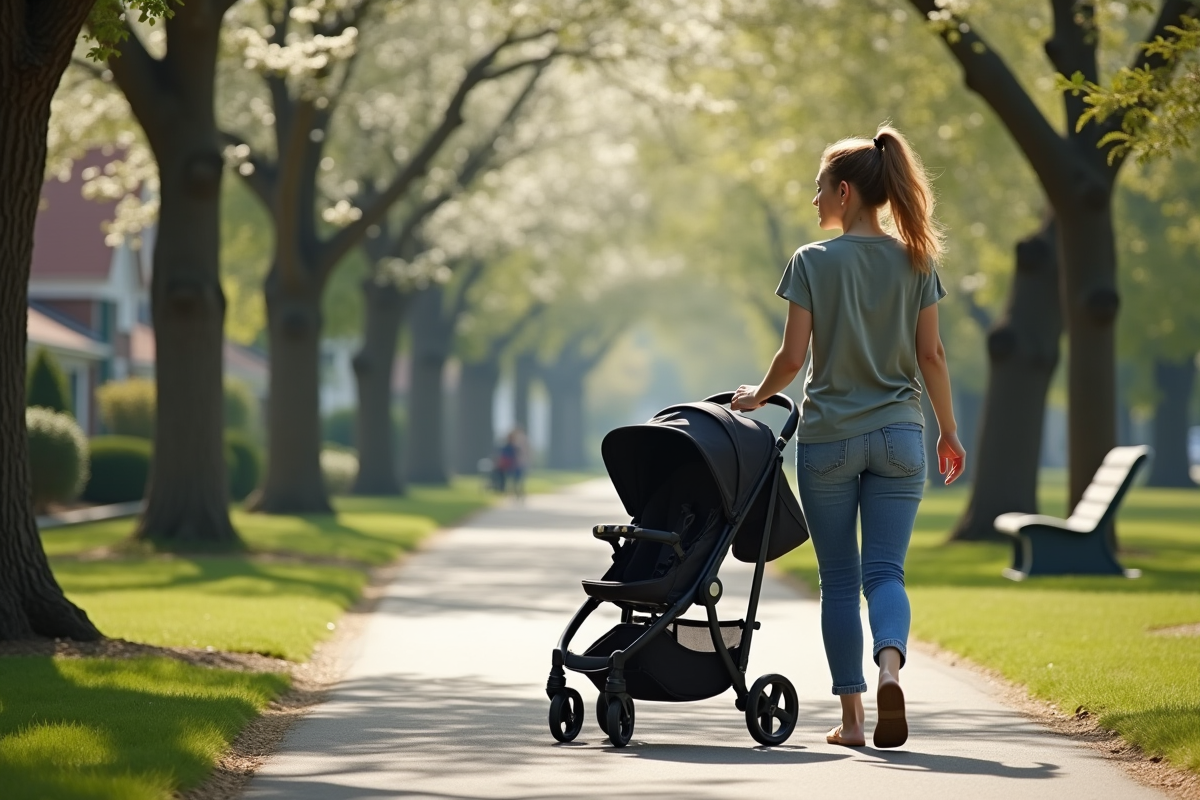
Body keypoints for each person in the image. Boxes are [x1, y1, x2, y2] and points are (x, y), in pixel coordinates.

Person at [731, 125, 966, 750]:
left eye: (818, 188)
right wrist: (948, 431)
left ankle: (855, 721)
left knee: (839, 581)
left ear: (844, 192)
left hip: (829, 440)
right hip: (900, 436)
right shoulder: (917, 260)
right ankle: (891, 669)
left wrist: (757, 396)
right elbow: (933, 355)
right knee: (886, 573)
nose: (814, 200)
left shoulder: (811, 261)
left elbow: (792, 358)